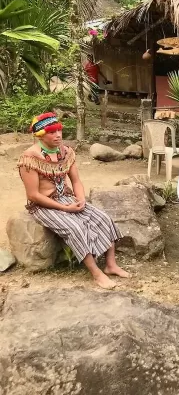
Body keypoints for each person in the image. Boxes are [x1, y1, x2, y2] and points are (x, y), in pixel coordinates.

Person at [17, 112, 130, 289]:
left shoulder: (66, 152)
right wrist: (65, 209)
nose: (58, 135)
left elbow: (76, 181)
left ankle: (110, 265)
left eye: (59, 131)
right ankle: (96, 273)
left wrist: (81, 200)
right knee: (75, 227)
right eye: (52, 132)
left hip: (67, 197)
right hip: (44, 205)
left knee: (103, 218)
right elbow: (33, 195)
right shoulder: (29, 158)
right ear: (40, 135)